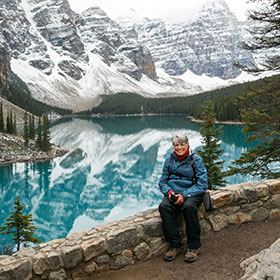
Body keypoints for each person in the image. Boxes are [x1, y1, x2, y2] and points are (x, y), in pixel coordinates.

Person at [158, 132, 208, 262]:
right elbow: (162, 182)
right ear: (173, 146)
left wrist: (184, 195)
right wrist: (169, 193)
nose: (179, 147)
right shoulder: (169, 160)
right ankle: (175, 245)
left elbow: (202, 184)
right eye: (176, 145)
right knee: (164, 207)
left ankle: (193, 247)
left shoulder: (195, 159)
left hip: (192, 192)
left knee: (189, 206)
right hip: (173, 193)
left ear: (187, 145)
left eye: (182, 144)